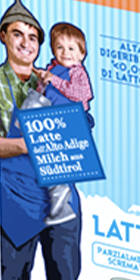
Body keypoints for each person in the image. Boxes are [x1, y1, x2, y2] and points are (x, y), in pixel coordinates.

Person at [0, 0, 82, 280]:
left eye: (33, 37)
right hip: (15, 200)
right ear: (3, 35)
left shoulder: (57, 81)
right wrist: (26, 145)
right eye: (17, 34)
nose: (26, 43)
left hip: (61, 200)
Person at [35, 22, 94, 226]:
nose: (65, 53)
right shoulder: (53, 68)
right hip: (53, 119)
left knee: (59, 165)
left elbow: (80, 94)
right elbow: (45, 91)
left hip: (72, 121)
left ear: (81, 54)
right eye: (59, 47)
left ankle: (63, 206)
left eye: (71, 48)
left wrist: (54, 80)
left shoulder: (78, 72)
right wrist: (42, 81)